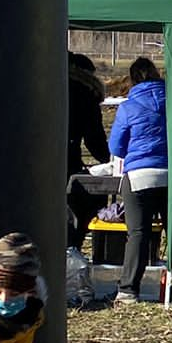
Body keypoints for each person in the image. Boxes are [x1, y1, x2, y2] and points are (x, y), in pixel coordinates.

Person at [108, 57, 172, 303]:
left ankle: (129, 289)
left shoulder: (127, 107)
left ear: (132, 80)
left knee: (138, 234)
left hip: (141, 177)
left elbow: (116, 147)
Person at [67, 53, 110, 252]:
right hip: (67, 161)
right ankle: (72, 247)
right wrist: (110, 159)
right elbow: (95, 139)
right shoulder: (85, 93)